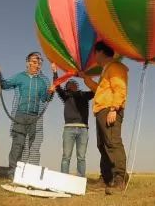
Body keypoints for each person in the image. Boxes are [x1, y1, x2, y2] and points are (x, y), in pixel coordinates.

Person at [0, 52, 55, 177]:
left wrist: (50, 92)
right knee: (18, 144)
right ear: (28, 63)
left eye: (39, 63)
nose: (38, 65)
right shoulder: (20, 77)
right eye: (35, 62)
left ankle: (27, 175)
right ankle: (12, 174)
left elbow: (45, 98)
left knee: (32, 147)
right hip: (20, 115)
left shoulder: (42, 82)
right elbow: (4, 84)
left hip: (34, 117)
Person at [77, 41, 129, 194]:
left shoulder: (115, 67)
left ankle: (120, 180)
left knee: (113, 143)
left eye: (95, 53)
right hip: (101, 110)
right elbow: (99, 89)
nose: (94, 56)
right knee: (103, 145)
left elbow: (120, 88)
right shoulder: (106, 70)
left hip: (109, 109)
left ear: (100, 52)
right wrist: (85, 78)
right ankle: (106, 178)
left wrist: (114, 109)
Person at [50, 63, 94, 178]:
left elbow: (96, 90)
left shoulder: (84, 95)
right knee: (66, 157)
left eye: (74, 82)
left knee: (81, 157)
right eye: (69, 83)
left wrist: (86, 76)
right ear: (67, 87)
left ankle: (80, 180)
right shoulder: (66, 96)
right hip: (69, 129)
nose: (72, 83)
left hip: (83, 129)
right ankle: (64, 179)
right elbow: (57, 85)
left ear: (77, 86)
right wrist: (55, 71)